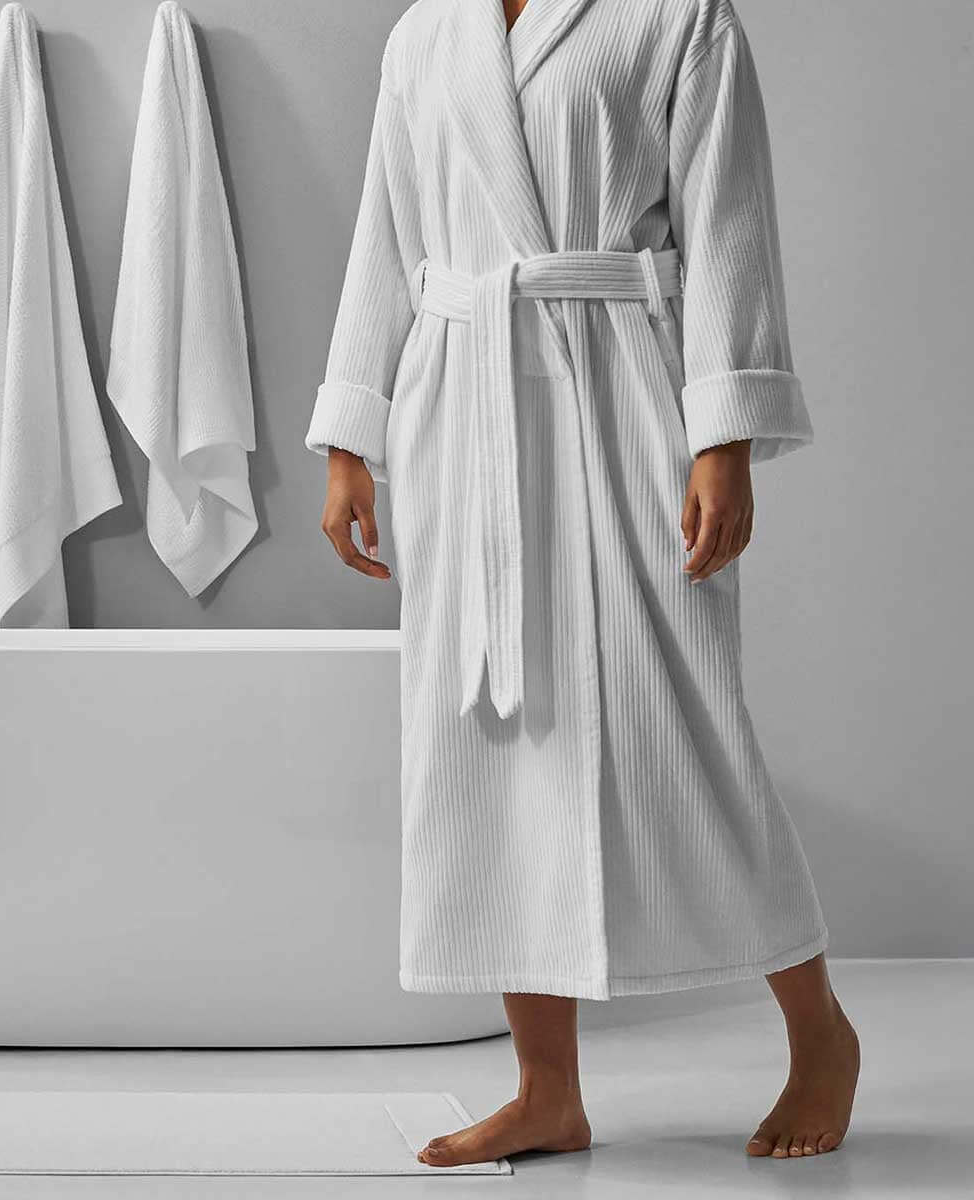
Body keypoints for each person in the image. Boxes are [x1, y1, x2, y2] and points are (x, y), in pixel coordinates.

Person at [308, 0, 856, 1165]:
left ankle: (820, 1035)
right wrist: (355, 437)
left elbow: (727, 220)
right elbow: (387, 236)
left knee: (687, 726)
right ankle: (546, 1088)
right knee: (492, 734)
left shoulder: (676, 14)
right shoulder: (427, 34)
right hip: (464, 406)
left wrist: (726, 437)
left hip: (620, 393)